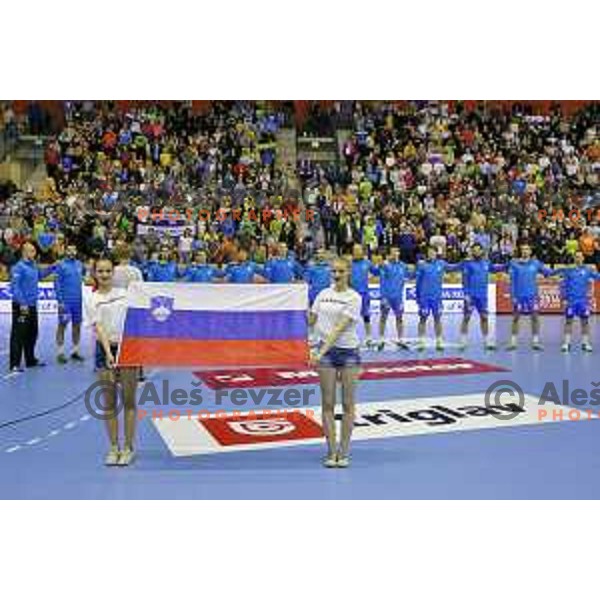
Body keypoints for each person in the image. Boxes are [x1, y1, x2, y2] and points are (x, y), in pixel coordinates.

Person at [84, 257, 139, 466]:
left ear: (113, 273)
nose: (105, 275)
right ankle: (114, 447)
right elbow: (98, 328)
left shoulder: (125, 295)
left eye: (108, 271)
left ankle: (128, 448)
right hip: (104, 350)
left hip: (128, 349)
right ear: (95, 274)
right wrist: (108, 353)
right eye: (101, 271)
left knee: (129, 401)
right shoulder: (91, 299)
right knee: (109, 403)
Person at [309, 258, 361, 468]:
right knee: (327, 404)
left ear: (348, 272)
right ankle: (331, 452)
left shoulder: (354, 297)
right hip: (326, 355)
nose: (336, 275)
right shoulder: (323, 294)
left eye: (340, 271)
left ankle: (344, 451)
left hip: (347, 353)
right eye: (334, 271)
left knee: (348, 404)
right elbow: (311, 320)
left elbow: (339, 328)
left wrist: (319, 352)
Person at [9, 242, 55, 372]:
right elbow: (15, 287)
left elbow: (40, 275)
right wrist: (22, 303)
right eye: (31, 251)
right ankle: (14, 364)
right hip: (21, 306)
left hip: (33, 305)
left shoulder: (33, 266)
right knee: (18, 335)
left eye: (34, 251)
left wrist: (52, 267)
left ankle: (30, 360)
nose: (34, 253)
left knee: (32, 334)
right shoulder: (18, 268)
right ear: (24, 252)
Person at [506, 244, 553, 351]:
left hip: (532, 296)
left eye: (527, 249)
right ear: (520, 251)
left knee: (535, 318)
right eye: (523, 249)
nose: (525, 251)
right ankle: (513, 342)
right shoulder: (514, 264)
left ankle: (535, 342)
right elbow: (512, 281)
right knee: (515, 318)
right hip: (518, 296)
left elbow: (548, 272)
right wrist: (513, 295)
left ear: (530, 251)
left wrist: (561, 274)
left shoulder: (536, 263)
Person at [458, 243, 504, 351]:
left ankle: (486, 341)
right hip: (471, 296)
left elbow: (495, 269)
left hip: (483, 296)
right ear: (472, 252)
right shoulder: (468, 264)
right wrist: (466, 295)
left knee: (484, 318)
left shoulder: (487, 263)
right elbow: (464, 281)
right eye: (474, 250)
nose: (476, 252)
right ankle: (463, 341)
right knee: (466, 318)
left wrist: (507, 265)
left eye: (478, 250)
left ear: (482, 251)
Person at [554, 250, 600, 352]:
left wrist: (596, 271)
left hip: (583, 301)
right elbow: (563, 285)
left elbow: (598, 277)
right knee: (568, 321)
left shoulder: (588, 270)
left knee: (585, 322)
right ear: (574, 259)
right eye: (576, 257)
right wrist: (564, 298)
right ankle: (566, 343)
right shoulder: (569, 271)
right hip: (571, 300)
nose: (578, 258)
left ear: (583, 258)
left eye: (580, 257)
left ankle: (585, 343)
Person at [372, 247, 412, 351]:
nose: (395, 254)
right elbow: (375, 272)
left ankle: (401, 340)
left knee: (399, 318)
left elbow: (410, 276)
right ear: (389, 254)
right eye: (393, 252)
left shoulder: (403, 266)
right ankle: (381, 340)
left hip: (398, 298)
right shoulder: (384, 265)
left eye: (397, 252)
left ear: (399, 253)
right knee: (383, 317)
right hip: (386, 297)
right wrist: (378, 264)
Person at [55, 243, 85, 363]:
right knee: (62, 325)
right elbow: (56, 284)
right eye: (69, 250)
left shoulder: (79, 264)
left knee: (77, 326)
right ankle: (60, 353)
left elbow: (82, 279)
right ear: (65, 251)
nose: (72, 252)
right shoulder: (61, 265)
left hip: (77, 302)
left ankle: (75, 351)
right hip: (65, 303)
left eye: (74, 250)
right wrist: (60, 301)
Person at [350, 243, 377, 348]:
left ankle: (369, 338)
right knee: (351, 318)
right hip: (351, 295)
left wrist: (380, 265)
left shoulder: (367, 263)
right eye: (354, 250)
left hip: (364, 294)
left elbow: (376, 272)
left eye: (358, 250)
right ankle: (351, 338)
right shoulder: (349, 263)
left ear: (362, 251)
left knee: (366, 316)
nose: (356, 252)